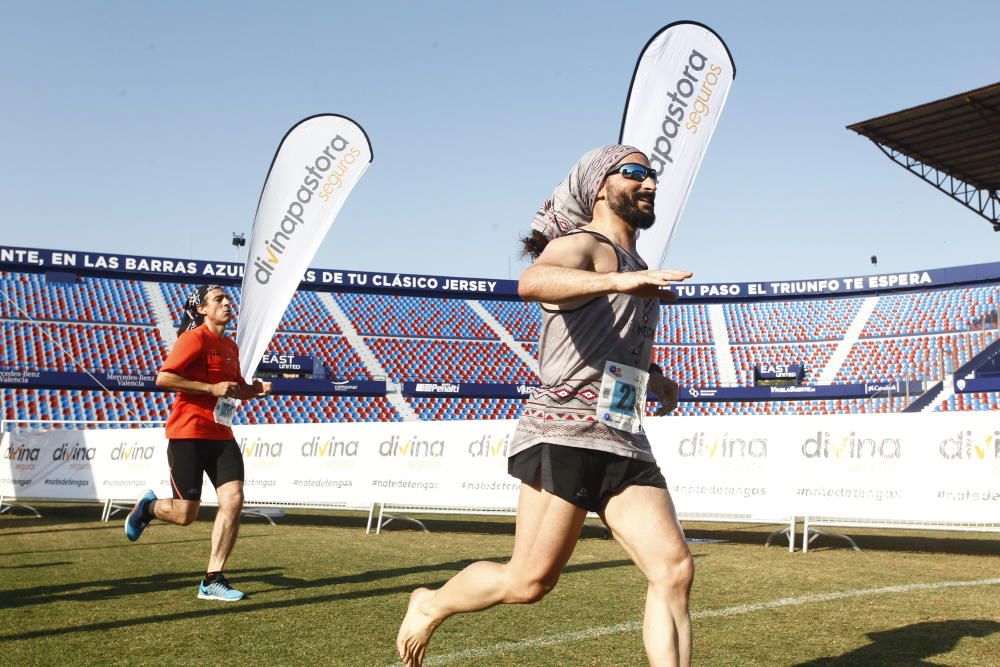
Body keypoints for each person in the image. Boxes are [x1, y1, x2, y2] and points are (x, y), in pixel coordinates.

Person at [397, 145, 695, 666]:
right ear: (599, 186)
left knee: (673, 570)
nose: (648, 184)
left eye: (652, 176)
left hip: (623, 432)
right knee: (529, 581)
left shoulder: (637, 264)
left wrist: (657, 377)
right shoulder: (584, 246)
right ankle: (429, 603)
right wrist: (618, 281)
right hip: (566, 431)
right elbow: (533, 282)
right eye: (634, 174)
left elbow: (612, 344)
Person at [125, 284, 270, 602]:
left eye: (227, 298)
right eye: (218, 299)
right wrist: (210, 388)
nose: (227, 303)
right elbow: (164, 378)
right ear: (203, 309)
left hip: (221, 436)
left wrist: (255, 388)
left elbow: (233, 388)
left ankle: (212, 579)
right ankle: (147, 507)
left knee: (233, 498)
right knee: (185, 515)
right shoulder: (192, 338)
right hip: (187, 435)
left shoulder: (230, 345)